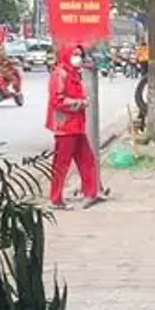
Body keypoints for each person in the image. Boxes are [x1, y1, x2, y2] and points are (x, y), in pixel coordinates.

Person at [46, 45, 103, 209]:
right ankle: (55, 199)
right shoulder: (60, 74)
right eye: (75, 54)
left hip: (77, 125)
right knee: (61, 164)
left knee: (87, 160)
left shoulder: (74, 73)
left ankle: (91, 193)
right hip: (65, 126)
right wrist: (80, 103)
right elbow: (57, 100)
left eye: (79, 54)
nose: (78, 58)